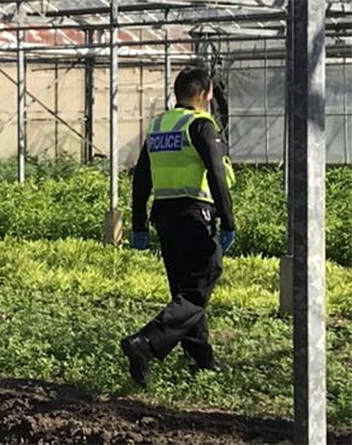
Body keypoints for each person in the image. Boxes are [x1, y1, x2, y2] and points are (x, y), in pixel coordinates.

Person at [121, 67, 236, 388]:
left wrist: (139, 223)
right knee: (199, 288)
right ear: (206, 93)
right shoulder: (201, 124)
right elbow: (216, 174)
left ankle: (202, 359)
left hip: (165, 215)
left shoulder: (159, 126)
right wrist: (228, 222)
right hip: (196, 214)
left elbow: (141, 176)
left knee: (184, 289)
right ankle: (145, 341)